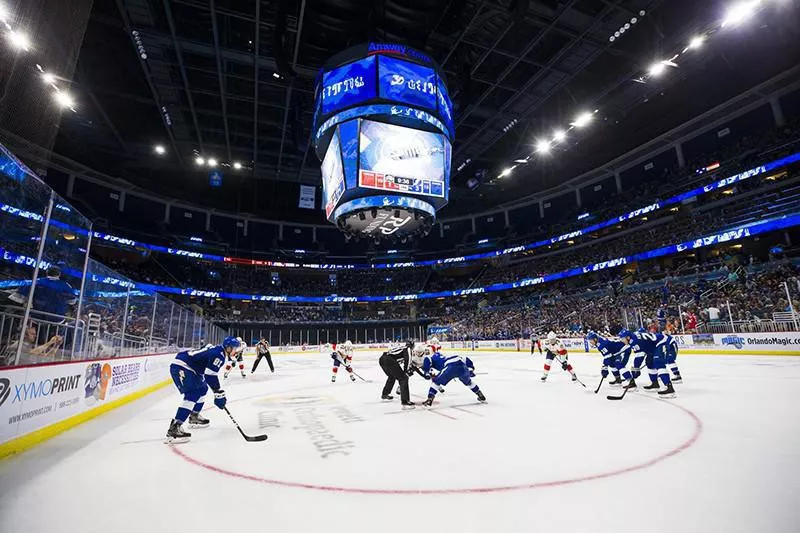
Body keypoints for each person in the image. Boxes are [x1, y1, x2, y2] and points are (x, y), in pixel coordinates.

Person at [166, 336, 241, 443]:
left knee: (202, 389)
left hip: (190, 367)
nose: (236, 351)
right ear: (228, 348)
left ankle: (194, 416)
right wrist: (218, 392)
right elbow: (210, 375)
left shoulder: (218, 350)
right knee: (193, 393)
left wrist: (217, 391)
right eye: (235, 348)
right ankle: (175, 427)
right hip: (182, 366)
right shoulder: (219, 355)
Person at [618, 328, 675, 398]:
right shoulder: (633, 339)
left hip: (661, 342)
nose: (622, 341)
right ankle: (655, 384)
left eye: (622, 339)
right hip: (653, 347)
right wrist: (636, 368)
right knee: (649, 362)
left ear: (628, 337)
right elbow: (640, 354)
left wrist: (636, 369)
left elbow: (639, 356)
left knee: (659, 363)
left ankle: (669, 388)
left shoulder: (634, 341)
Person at [420, 351, 486, 406]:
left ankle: (430, 399)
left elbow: (427, 360)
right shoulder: (445, 356)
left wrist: (426, 372)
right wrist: (470, 369)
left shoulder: (432, 357)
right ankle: (480, 394)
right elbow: (466, 359)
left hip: (450, 366)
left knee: (436, 382)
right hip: (462, 366)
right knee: (469, 382)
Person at [379, 341, 415, 407]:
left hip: (382, 359)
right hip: (389, 360)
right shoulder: (408, 349)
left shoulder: (401, 348)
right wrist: (405, 372)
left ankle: (385, 394)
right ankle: (405, 401)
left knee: (392, 376)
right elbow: (407, 360)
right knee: (404, 378)